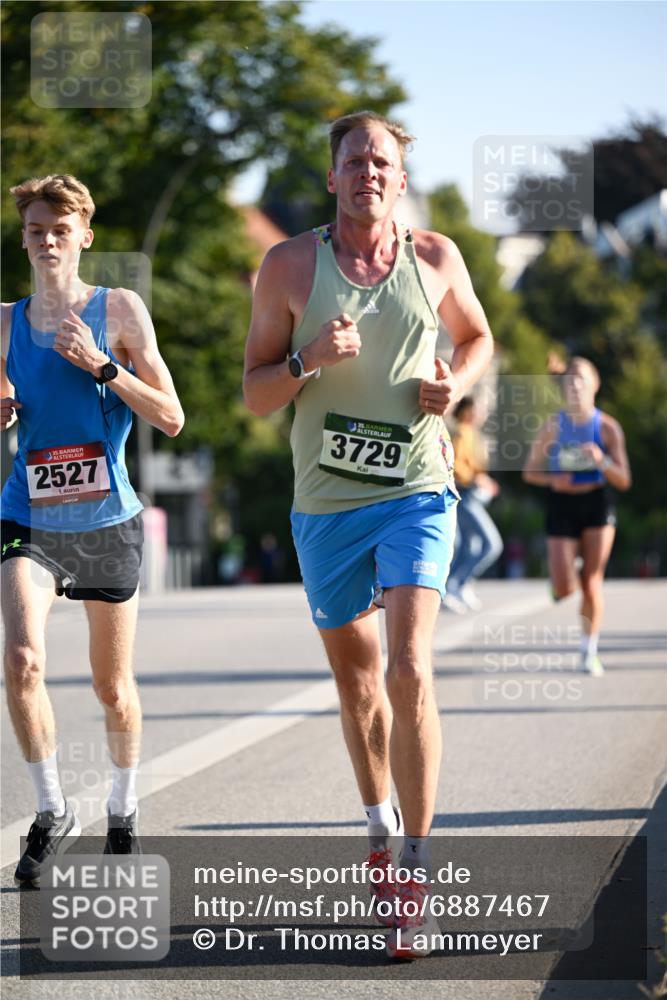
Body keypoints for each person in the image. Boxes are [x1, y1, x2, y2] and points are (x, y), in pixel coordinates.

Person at [243, 111, 493, 959]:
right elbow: (255, 392)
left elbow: (477, 336)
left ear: (401, 178)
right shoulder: (287, 266)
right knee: (358, 688)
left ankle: (416, 870)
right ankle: (379, 831)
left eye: (381, 162)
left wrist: (455, 384)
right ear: (332, 178)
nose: (368, 174)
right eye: (353, 162)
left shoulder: (436, 258)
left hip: (415, 490)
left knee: (409, 667)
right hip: (325, 506)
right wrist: (306, 359)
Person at [1, 174, 184, 884]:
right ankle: (51, 811)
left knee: (112, 687)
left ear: (84, 236)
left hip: (108, 521)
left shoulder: (119, 310)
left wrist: (104, 367)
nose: (48, 241)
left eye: (60, 230)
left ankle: (123, 811)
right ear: (24, 240)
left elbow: (171, 416)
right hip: (30, 515)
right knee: (23, 660)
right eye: (36, 230)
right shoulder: (6, 323)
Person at [523, 356, 631, 675]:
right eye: (569, 379)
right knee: (566, 588)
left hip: (597, 503)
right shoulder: (552, 427)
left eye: (581, 378)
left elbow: (624, 480)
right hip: (562, 505)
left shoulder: (608, 428)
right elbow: (529, 471)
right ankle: (564, 579)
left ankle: (588, 651)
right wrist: (553, 480)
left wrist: (602, 461)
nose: (575, 384)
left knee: (592, 584)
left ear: (595, 384)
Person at [443, 395, 503, 612]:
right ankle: (455, 585)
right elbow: (455, 465)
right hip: (463, 495)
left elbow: (475, 466)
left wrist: (484, 480)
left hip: (472, 494)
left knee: (470, 545)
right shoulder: (460, 432)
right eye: (480, 409)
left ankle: (458, 586)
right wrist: (475, 479)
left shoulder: (473, 434)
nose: (484, 414)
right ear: (468, 411)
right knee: (491, 544)